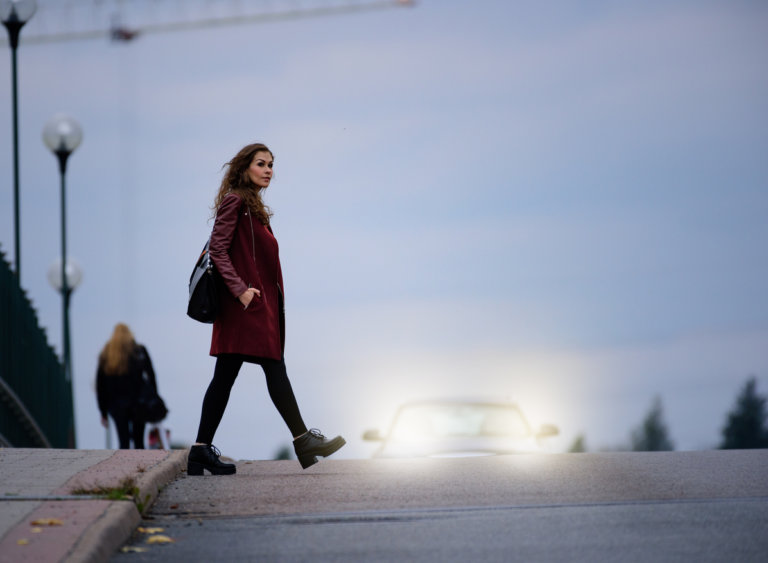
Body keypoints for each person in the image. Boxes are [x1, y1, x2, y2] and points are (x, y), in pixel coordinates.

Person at [188, 143, 345, 476]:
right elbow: (217, 248)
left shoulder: (252, 206)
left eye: (271, 164)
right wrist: (241, 291)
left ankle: (202, 451)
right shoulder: (236, 202)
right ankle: (302, 440)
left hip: (256, 308)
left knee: (239, 375)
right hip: (244, 308)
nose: (269, 170)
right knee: (264, 371)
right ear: (245, 168)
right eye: (261, 164)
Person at [96, 323, 158, 449]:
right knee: (139, 441)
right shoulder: (139, 350)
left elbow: (100, 384)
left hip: (116, 404)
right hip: (139, 402)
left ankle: (125, 466)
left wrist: (103, 411)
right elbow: (151, 375)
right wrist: (154, 399)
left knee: (123, 441)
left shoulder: (107, 353)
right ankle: (142, 466)